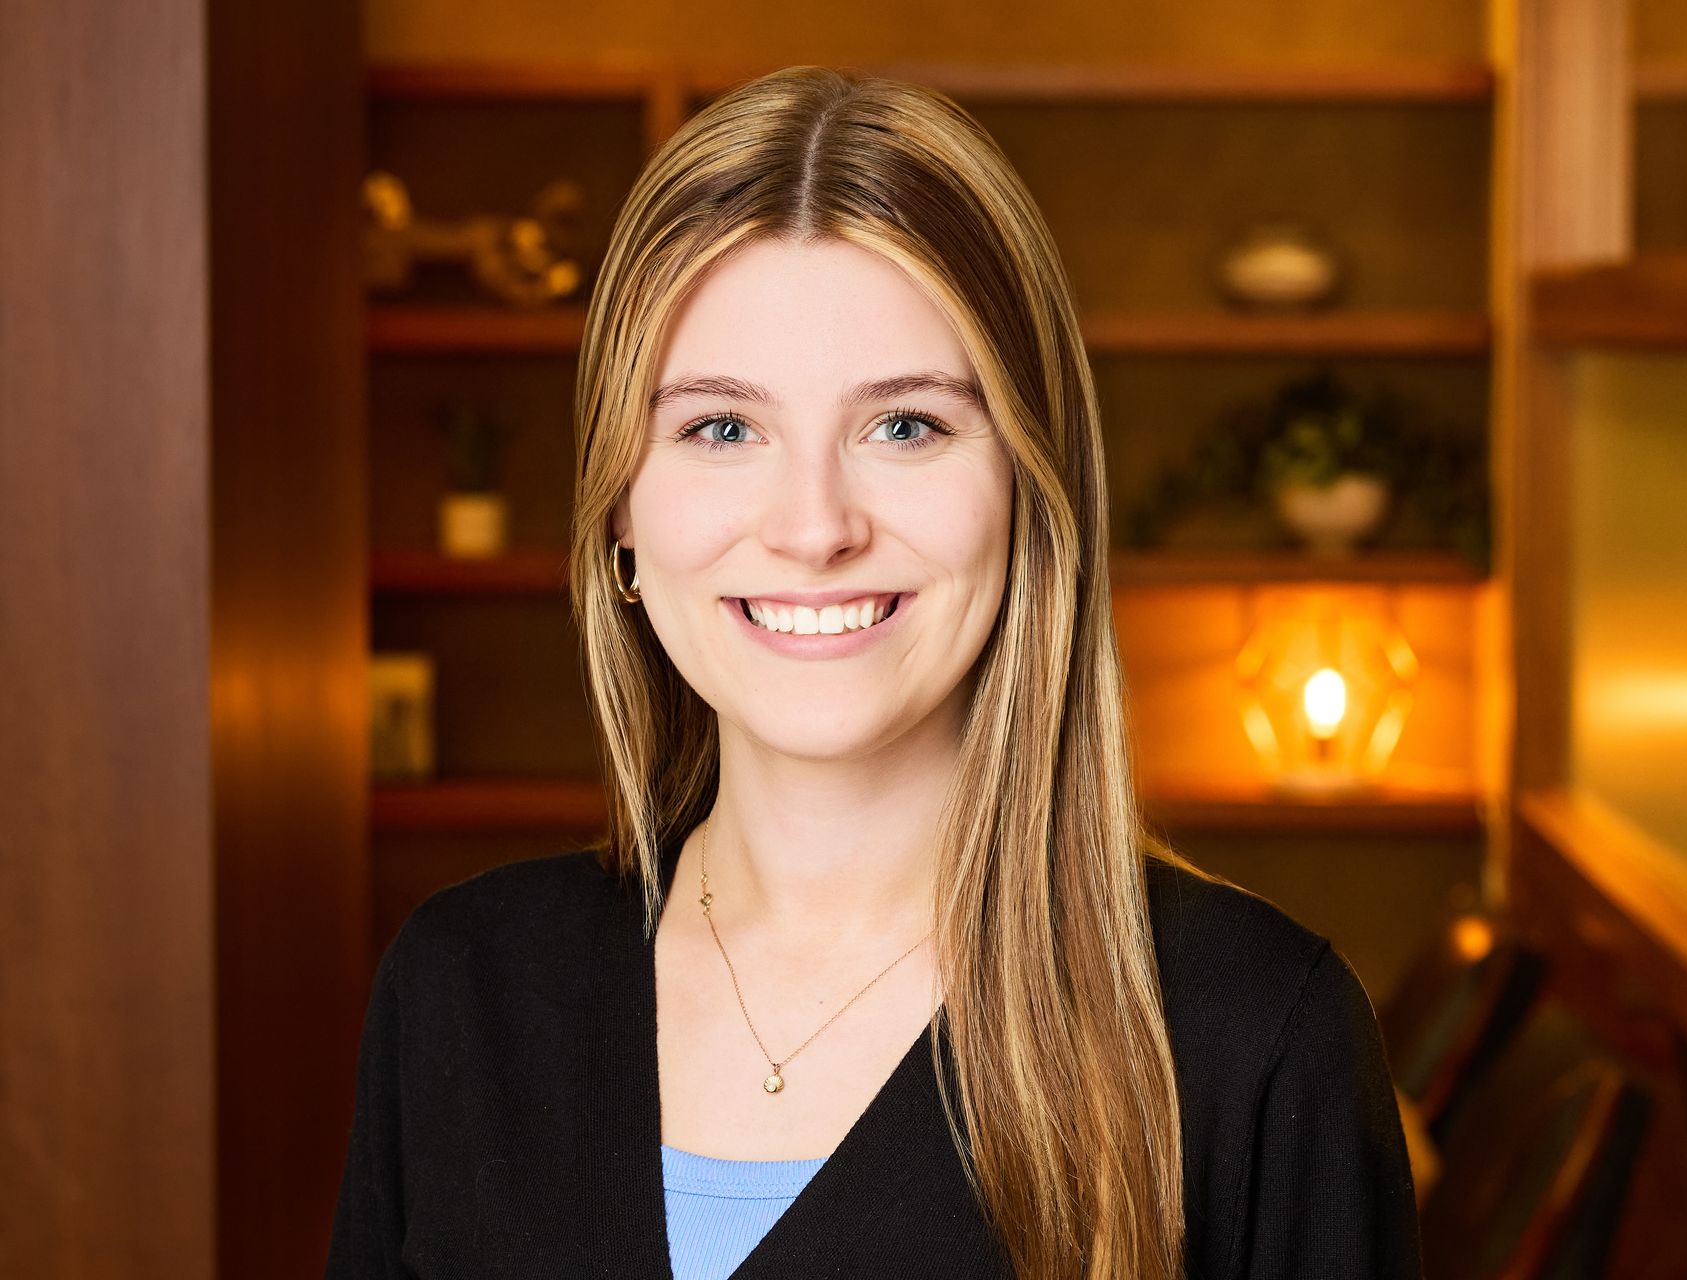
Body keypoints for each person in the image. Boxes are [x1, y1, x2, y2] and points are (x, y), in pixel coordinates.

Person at [325, 65, 1423, 1280]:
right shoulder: (463, 991)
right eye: (721, 428)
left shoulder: (1255, 1039)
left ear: (1028, 488)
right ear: (621, 508)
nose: (814, 525)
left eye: (905, 425)